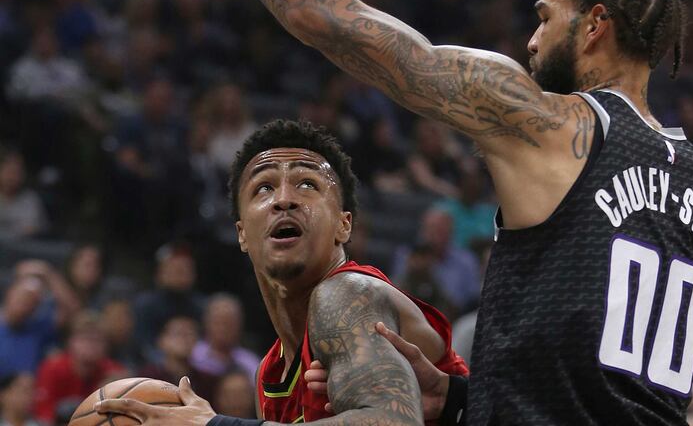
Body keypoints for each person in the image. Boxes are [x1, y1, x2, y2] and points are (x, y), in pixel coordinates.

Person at [243, 0, 693, 423]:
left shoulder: (549, 127)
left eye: (544, 18)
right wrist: (459, 398)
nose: (533, 42)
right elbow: (616, 385)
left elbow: (321, 13)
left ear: (594, 25)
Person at [96, 120, 469, 425]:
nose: (284, 199)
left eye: (308, 184)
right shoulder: (268, 372)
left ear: (344, 226)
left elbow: (393, 422)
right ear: (242, 233)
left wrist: (213, 425)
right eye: (263, 188)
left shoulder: (350, 294)